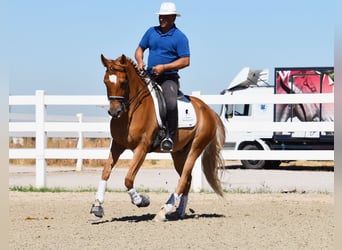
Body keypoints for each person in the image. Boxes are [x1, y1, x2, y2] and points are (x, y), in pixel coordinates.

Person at [135, 2, 190, 152]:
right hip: (149, 76)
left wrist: (164, 67)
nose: (161, 19)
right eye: (160, 16)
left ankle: (169, 137)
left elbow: (185, 61)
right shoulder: (151, 32)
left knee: (170, 103)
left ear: (173, 18)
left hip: (168, 78)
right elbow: (140, 49)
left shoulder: (180, 37)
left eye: (165, 17)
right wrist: (140, 61)